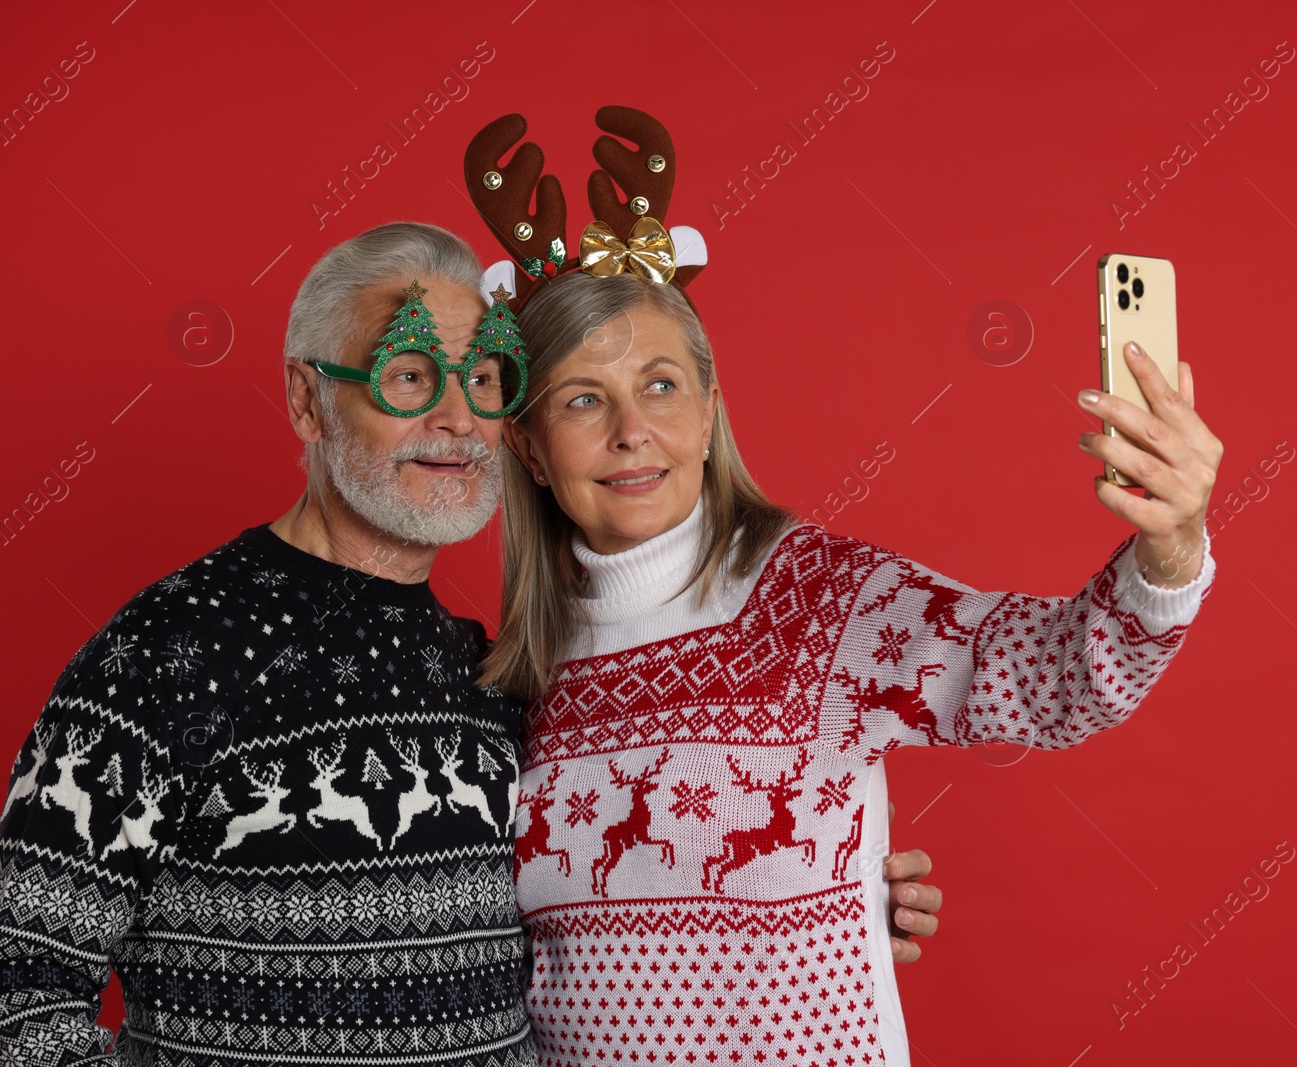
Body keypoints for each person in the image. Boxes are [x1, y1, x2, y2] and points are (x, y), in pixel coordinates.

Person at [0, 222, 943, 1064]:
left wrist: (825, 881)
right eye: (409, 376)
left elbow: (592, 914)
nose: (456, 420)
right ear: (307, 400)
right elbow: (18, 994)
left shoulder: (490, 675)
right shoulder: (169, 650)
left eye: (482, 380)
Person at [464, 107, 1222, 1064]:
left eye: (660, 384)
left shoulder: (820, 601)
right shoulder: (508, 676)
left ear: (708, 410)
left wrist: (1173, 541)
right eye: (583, 399)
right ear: (529, 450)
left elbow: (1055, 677)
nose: (631, 430)